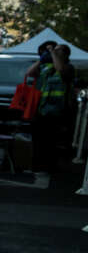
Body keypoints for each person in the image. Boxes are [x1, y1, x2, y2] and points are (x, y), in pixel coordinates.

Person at [28, 43, 75, 182]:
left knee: (52, 142)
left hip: (58, 112)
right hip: (42, 110)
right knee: (38, 141)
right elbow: (30, 73)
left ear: (65, 54)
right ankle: (37, 167)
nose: (54, 51)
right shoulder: (47, 68)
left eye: (58, 50)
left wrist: (53, 53)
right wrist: (42, 59)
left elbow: (60, 69)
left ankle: (50, 168)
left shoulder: (69, 68)